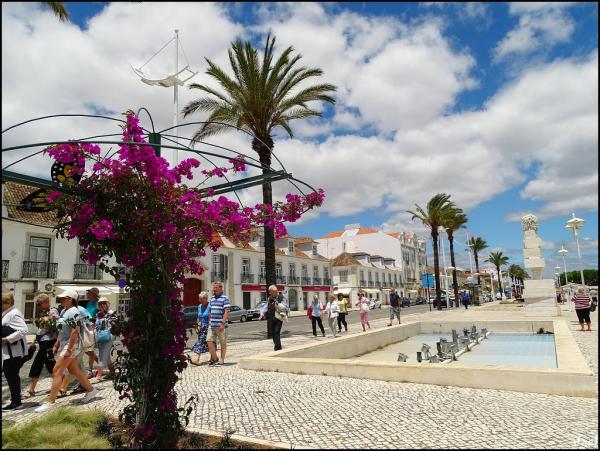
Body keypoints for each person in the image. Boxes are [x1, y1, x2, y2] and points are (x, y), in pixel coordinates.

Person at [35, 289, 98, 413]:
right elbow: (62, 329)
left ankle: (50, 402)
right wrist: (57, 343)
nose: (61, 299)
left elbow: (75, 331)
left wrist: (69, 349)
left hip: (71, 345)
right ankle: (91, 390)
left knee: (57, 371)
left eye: (64, 298)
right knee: (74, 370)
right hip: (66, 344)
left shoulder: (74, 311)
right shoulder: (64, 311)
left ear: (70, 299)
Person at [22, 294, 60, 398]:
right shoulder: (44, 312)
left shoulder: (53, 312)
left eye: (39, 304)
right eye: (37, 304)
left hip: (48, 342)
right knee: (42, 364)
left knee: (45, 364)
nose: (38, 306)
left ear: (46, 302)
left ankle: (57, 388)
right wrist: (35, 340)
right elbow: (41, 329)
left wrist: (57, 343)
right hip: (43, 342)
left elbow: (56, 327)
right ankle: (32, 389)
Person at [2, 292, 28, 410]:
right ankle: (16, 399)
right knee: (11, 375)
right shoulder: (7, 314)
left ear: (7, 303)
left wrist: (7, 339)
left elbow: (23, 330)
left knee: (12, 376)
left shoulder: (14, 314)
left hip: (14, 352)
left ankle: (16, 402)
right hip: (9, 352)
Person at [207, 282, 230, 366]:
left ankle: (222, 359)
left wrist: (222, 323)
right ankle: (215, 358)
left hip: (221, 325)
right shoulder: (212, 298)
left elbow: (227, 311)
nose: (214, 289)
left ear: (221, 288)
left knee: (222, 343)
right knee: (209, 340)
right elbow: (209, 311)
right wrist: (209, 322)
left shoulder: (225, 298)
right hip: (212, 325)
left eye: (216, 288)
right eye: (213, 288)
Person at [91, 298, 114, 383]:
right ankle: (112, 371)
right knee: (106, 354)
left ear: (107, 304)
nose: (102, 305)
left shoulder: (111, 313)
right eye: (100, 304)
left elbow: (115, 324)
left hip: (109, 336)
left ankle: (99, 375)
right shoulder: (98, 314)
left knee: (102, 354)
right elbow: (96, 326)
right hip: (100, 336)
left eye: (104, 303)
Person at [260, 285, 288, 351]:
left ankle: (277, 348)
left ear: (275, 291)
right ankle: (279, 347)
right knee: (273, 334)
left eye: (271, 292)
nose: (270, 293)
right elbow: (266, 307)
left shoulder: (282, 297)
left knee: (276, 332)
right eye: (269, 292)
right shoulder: (269, 298)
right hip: (271, 318)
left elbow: (285, 307)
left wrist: (278, 304)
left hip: (279, 318)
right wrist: (262, 314)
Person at [190, 291, 211, 365]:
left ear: (206, 299)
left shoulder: (210, 306)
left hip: (208, 327)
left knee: (201, 342)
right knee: (206, 343)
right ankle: (213, 357)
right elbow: (198, 317)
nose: (200, 300)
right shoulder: (199, 306)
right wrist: (197, 326)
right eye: (199, 299)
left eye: (201, 299)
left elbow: (211, 317)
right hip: (201, 327)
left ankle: (197, 359)